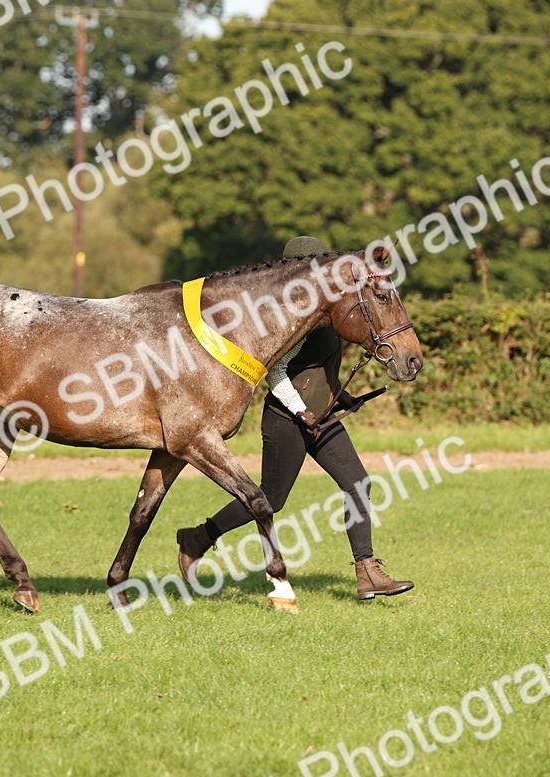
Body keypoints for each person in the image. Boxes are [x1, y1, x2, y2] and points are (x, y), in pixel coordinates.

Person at [176, 236, 414, 600]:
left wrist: (340, 395)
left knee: (358, 483)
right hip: (286, 420)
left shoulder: (331, 311)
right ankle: (199, 537)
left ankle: (367, 572)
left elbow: (318, 370)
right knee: (271, 498)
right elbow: (276, 371)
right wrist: (300, 410)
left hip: (322, 417)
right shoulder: (291, 322)